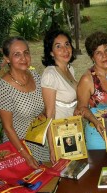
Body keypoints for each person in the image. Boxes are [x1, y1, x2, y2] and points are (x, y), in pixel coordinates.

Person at [0, 37, 49, 193]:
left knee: (40, 179)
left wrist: (42, 115)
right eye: (17, 54)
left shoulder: (36, 76)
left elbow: (42, 107)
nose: (24, 58)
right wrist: (25, 154)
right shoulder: (3, 87)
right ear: (8, 58)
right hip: (18, 146)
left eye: (26, 52)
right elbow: (7, 127)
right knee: (25, 184)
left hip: (38, 140)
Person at [74, 31, 107, 150]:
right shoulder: (87, 80)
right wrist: (96, 122)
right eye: (98, 53)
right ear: (92, 57)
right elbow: (81, 108)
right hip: (99, 135)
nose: (104, 56)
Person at [41, 30, 77, 163]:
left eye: (67, 44)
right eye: (58, 46)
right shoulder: (50, 75)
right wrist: (52, 148)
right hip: (59, 134)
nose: (65, 49)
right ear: (51, 52)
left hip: (72, 129)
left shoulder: (69, 69)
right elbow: (49, 114)